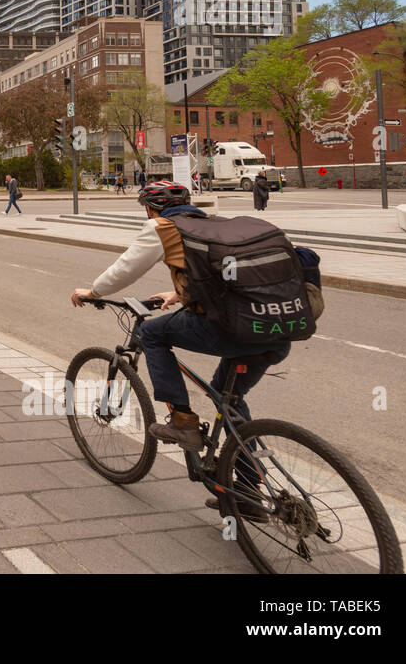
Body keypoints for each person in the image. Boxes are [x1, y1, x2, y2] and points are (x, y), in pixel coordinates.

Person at [70, 180, 289, 465]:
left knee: (151, 332)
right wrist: (180, 293)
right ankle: (251, 492)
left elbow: (124, 269)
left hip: (233, 330)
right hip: (278, 328)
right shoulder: (213, 225)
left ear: (150, 209)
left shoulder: (161, 226)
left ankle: (183, 423)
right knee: (228, 396)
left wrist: (93, 292)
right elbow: (227, 276)